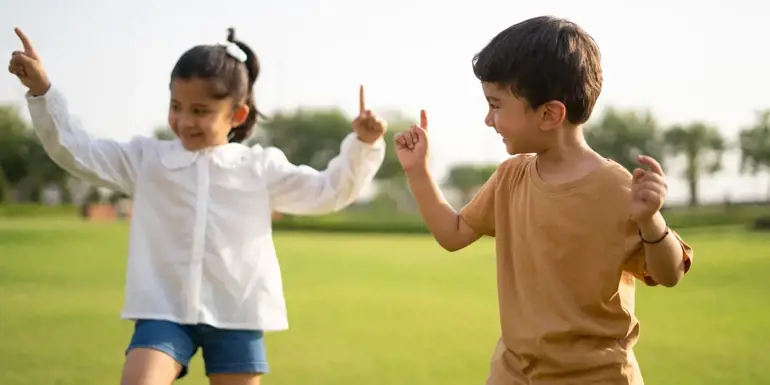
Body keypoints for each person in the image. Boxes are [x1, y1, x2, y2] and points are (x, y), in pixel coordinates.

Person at [8, 27, 387, 385]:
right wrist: (43, 93)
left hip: (237, 314)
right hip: (163, 311)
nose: (184, 120)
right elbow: (78, 151)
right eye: (176, 106)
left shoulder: (259, 167)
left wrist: (363, 146)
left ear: (236, 115)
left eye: (200, 111)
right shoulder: (147, 160)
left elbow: (327, 191)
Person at [394, 16, 693, 385]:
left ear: (550, 114)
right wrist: (418, 172)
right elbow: (453, 234)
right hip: (513, 372)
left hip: (596, 376)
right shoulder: (510, 178)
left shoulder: (617, 188)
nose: (489, 120)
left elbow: (670, 272)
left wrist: (651, 221)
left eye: (496, 105)